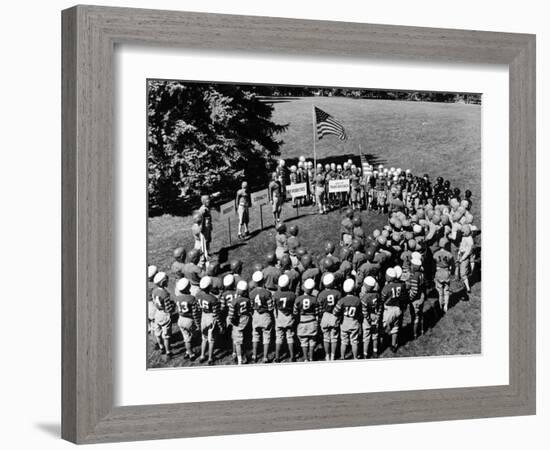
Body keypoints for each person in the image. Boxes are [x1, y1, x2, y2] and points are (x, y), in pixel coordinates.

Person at [196, 276, 223, 365]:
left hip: (203, 316)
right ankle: (210, 358)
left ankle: (202, 355)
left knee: (204, 338)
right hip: (211, 318)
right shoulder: (213, 299)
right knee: (211, 340)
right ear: (210, 287)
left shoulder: (198, 295)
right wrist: (220, 325)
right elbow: (216, 314)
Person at [249, 271, 275, 363]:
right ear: (263, 280)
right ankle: (265, 357)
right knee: (266, 336)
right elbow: (271, 307)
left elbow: (251, 306)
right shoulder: (267, 293)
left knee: (255, 335)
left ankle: (254, 355)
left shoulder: (251, 293)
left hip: (256, 314)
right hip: (265, 315)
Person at [333, 279, 362, 360]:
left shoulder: (342, 300)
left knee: (344, 341)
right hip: (354, 322)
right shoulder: (357, 300)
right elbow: (360, 312)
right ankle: (355, 357)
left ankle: (342, 357)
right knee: (354, 341)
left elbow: (335, 312)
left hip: (344, 323)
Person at [294, 278, 321, 362]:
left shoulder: (298, 299)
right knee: (312, 341)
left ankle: (306, 358)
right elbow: (318, 312)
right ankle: (311, 358)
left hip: (302, 321)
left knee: (304, 341)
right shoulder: (315, 299)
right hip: (312, 321)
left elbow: (295, 312)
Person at [151, 272, 176, 360]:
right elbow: (169, 308)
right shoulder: (165, 294)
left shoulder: (154, 290)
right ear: (163, 283)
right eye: (166, 281)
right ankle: (168, 351)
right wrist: (173, 307)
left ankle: (161, 347)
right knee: (166, 335)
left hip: (157, 312)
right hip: (164, 314)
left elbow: (154, 301)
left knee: (157, 332)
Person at [272, 274, 297, 362]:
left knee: (279, 337)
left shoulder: (276, 294)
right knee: (290, 337)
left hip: (280, 317)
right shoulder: (292, 294)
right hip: (289, 316)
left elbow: (274, 307)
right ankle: (292, 356)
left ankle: (277, 357)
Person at [174, 278, 200, 360]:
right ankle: (190, 353)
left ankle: (187, 351)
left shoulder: (177, 298)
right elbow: (195, 313)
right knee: (189, 338)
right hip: (189, 319)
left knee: (186, 336)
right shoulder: (192, 298)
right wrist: (197, 323)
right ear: (189, 287)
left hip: (180, 318)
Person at [317, 273, 341, 361]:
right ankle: (333, 355)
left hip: (325, 315)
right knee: (334, 337)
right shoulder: (338, 293)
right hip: (334, 316)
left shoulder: (321, 294)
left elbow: (319, 308)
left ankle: (327, 355)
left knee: (326, 337)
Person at [228, 280, 252, 365]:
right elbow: (250, 310)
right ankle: (239, 353)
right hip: (246, 319)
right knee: (242, 339)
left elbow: (231, 315)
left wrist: (230, 321)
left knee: (237, 342)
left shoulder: (234, 301)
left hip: (238, 322)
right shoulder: (247, 300)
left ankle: (240, 359)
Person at [380, 268, 404, 352]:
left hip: (389, 309)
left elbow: (382, 299)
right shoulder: (400, 285)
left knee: (383, 327)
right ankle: (394, 345)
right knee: (395, 328)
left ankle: (381, 345)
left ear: (389, 277)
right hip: (397, 308)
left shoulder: (386, 287)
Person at [361, 276, 383, 358]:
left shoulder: (365, 298)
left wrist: (368, 319)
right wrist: (378, 316)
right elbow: (380, 306)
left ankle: (365, 354)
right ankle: (375, 351)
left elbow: (364, 311)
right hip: (375, 316)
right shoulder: (377, 295)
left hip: (368, 319)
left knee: (366, 337)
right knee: (375, 336)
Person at [433, 237, 455, 313]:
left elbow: (433, 264)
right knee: (446, 290)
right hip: (446, 272)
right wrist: (451, 272)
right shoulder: (449, 254)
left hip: (438, 272)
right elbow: (452, 265)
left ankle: (440, 305)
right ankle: (446, 305)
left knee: (440, 291)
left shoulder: (435, 254)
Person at [407, 254, 426, 339]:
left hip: (416, 299)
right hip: (421, 296)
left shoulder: (414, 277)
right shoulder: (421, 274)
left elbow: (414, 291)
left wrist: (409, 298)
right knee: (421, 315)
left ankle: (414, 334)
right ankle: (422, 330)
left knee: (415, 317)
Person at [457, 224, 474, 293]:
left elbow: (467, 252)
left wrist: (462, 259)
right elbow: (461, 245)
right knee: (461, 271)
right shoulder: (464, 237)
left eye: (463, 232)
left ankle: (468, 288)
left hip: (465, 257)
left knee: (463, 273)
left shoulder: (470, 241)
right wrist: (459, 252)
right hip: (461, 254)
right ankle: (464, 281)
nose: (462, 234)